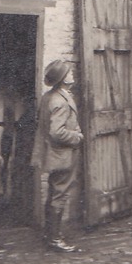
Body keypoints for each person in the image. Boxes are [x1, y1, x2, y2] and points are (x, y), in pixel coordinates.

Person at [31, 59, 84, 253]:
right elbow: (56, 132)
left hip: (53, 154)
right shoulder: (60, 101)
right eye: (68, 73)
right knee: (60, 194)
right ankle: (55, 238)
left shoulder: (49, 97)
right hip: (62, 155)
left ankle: (49, 233)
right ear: (62, 79)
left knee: (54, 192)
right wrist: (77, 137)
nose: (72, 75)